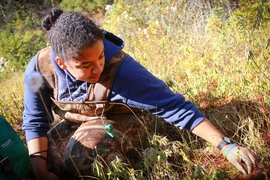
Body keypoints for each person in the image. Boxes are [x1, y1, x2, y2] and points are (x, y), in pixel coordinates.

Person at [22, 7, 256, 180]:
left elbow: (173, 106)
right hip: (80, 121)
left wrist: (226, 146)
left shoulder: (122, 70)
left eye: (101, 56)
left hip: (123, 118)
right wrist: (41, 170)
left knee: (80, 158)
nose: (98, 68)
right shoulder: (37, 70)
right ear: (62, 64)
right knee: (38, 160)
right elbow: (34, 121)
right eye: (85, 65)